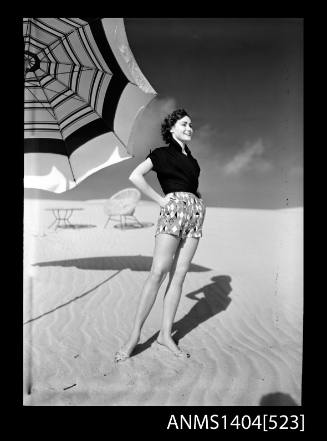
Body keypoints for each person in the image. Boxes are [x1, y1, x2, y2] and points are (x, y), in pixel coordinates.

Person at [114, 108, 206, 362]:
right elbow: (135, 176)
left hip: (195, 215)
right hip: (173, 211)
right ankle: (133, 337)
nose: (189, 128)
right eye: (185, 124)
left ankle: (166, 335)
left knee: (179, 276)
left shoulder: (194, 162)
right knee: (158, 272)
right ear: (172, 127)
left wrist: (200, 203)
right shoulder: (161, 154)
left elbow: (193, 188)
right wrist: (159, 200)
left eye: (191, 125)